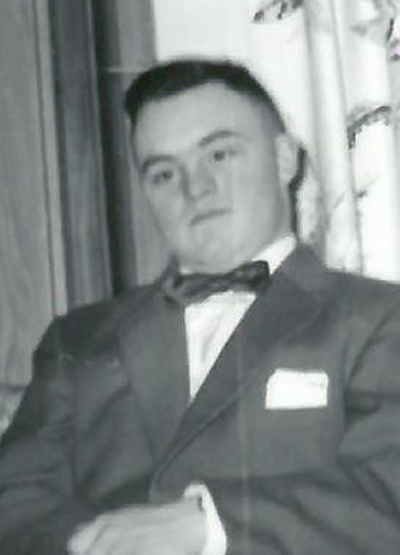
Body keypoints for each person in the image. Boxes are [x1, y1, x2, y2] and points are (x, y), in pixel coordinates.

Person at [1, 58, 400, 555]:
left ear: (284, 159)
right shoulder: (77, 340)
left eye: (219, 154)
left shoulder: (380, 319)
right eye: (164, 173)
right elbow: (14, 504)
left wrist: (210, 525)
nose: (195, 188)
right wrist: (101, 544)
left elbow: (389, 492)